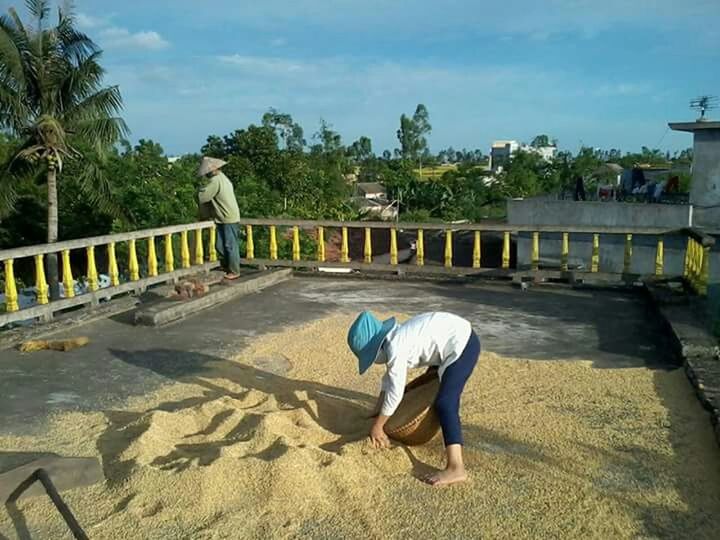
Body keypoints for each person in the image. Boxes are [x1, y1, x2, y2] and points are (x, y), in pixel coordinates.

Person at [347, 311, 481, 487]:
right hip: (448, 341)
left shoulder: (396, 347)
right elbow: (388, 380)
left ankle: (456, 467)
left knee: (446, 403)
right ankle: (439, 381)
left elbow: (395, 393)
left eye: (371, 358)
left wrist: (378, 427)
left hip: (463, 345)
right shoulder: (394, 337)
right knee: (428, 383)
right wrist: (377, 410)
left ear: (377, 349)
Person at [197, 157, 241, 280]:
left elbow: (203, 197)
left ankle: (234, 270)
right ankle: (228, 266)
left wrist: (199, 191)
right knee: (220, 245)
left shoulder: (216, 181)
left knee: (229, 245)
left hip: (228, 217)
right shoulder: (223, 178)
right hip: (224, 217)